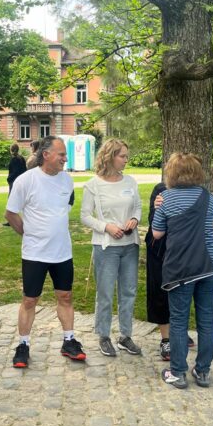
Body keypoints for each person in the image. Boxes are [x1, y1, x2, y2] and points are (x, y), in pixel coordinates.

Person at [5, 135, 86, 367]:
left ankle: (69, 341)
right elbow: (10, 213)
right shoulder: (26, 180)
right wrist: (27, 233)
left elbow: (65, 207)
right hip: (34, 254)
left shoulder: (67, 181)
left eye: (65, 155)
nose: (65, 158)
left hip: (62, 252)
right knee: (30, 300)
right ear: (46, 154)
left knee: (66, 296)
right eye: (61, 154)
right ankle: (23, 345)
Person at [152, 153, 213, 389]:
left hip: (182, 266)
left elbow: (157, 233)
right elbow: (211, 224)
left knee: (179, 320)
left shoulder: (165, 198)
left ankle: (178, 372)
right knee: (207, 319)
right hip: (209, 264)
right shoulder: (208, 197)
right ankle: (203, 372)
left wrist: (157, 208)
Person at [80, 139, 142, 357]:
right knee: (105, 293)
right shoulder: (93, 185)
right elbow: (85, 216)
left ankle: (125, 336)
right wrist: (106, 226)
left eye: (126, 156)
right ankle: (104, 336)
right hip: (106, 247)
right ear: (110, 157)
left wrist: (134, 219)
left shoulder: (131, 182)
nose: (126, 159)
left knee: (129, 291)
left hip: (130, 245)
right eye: (122, 156)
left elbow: (137, 207)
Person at [5, 143, 27, 226]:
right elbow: (25, 170)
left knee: (12, 200)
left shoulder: (14, 159)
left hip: (14, 181)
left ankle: (11, 220)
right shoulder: (21, 158)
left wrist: (9, 179)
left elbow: (15, 171)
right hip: (21, 181)